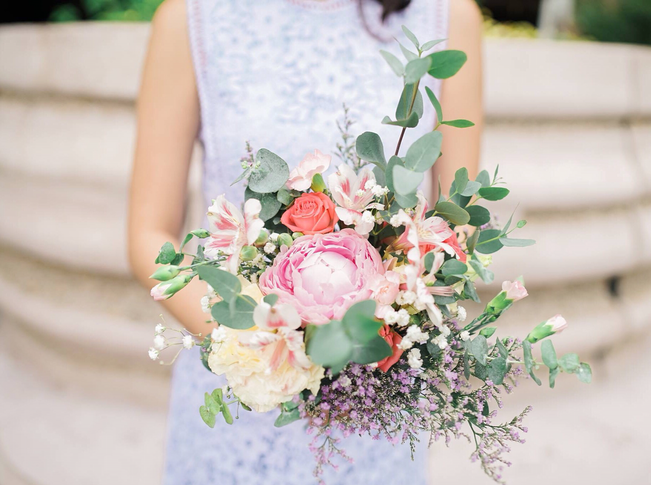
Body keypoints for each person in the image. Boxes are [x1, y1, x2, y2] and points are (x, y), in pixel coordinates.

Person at [127, 0, 483, 483]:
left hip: (370, 398)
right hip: (240, 389)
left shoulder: (446, 17)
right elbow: (148, 234)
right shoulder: (192, 15)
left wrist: (385, 328)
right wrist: (259, 347)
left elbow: (455, 222)